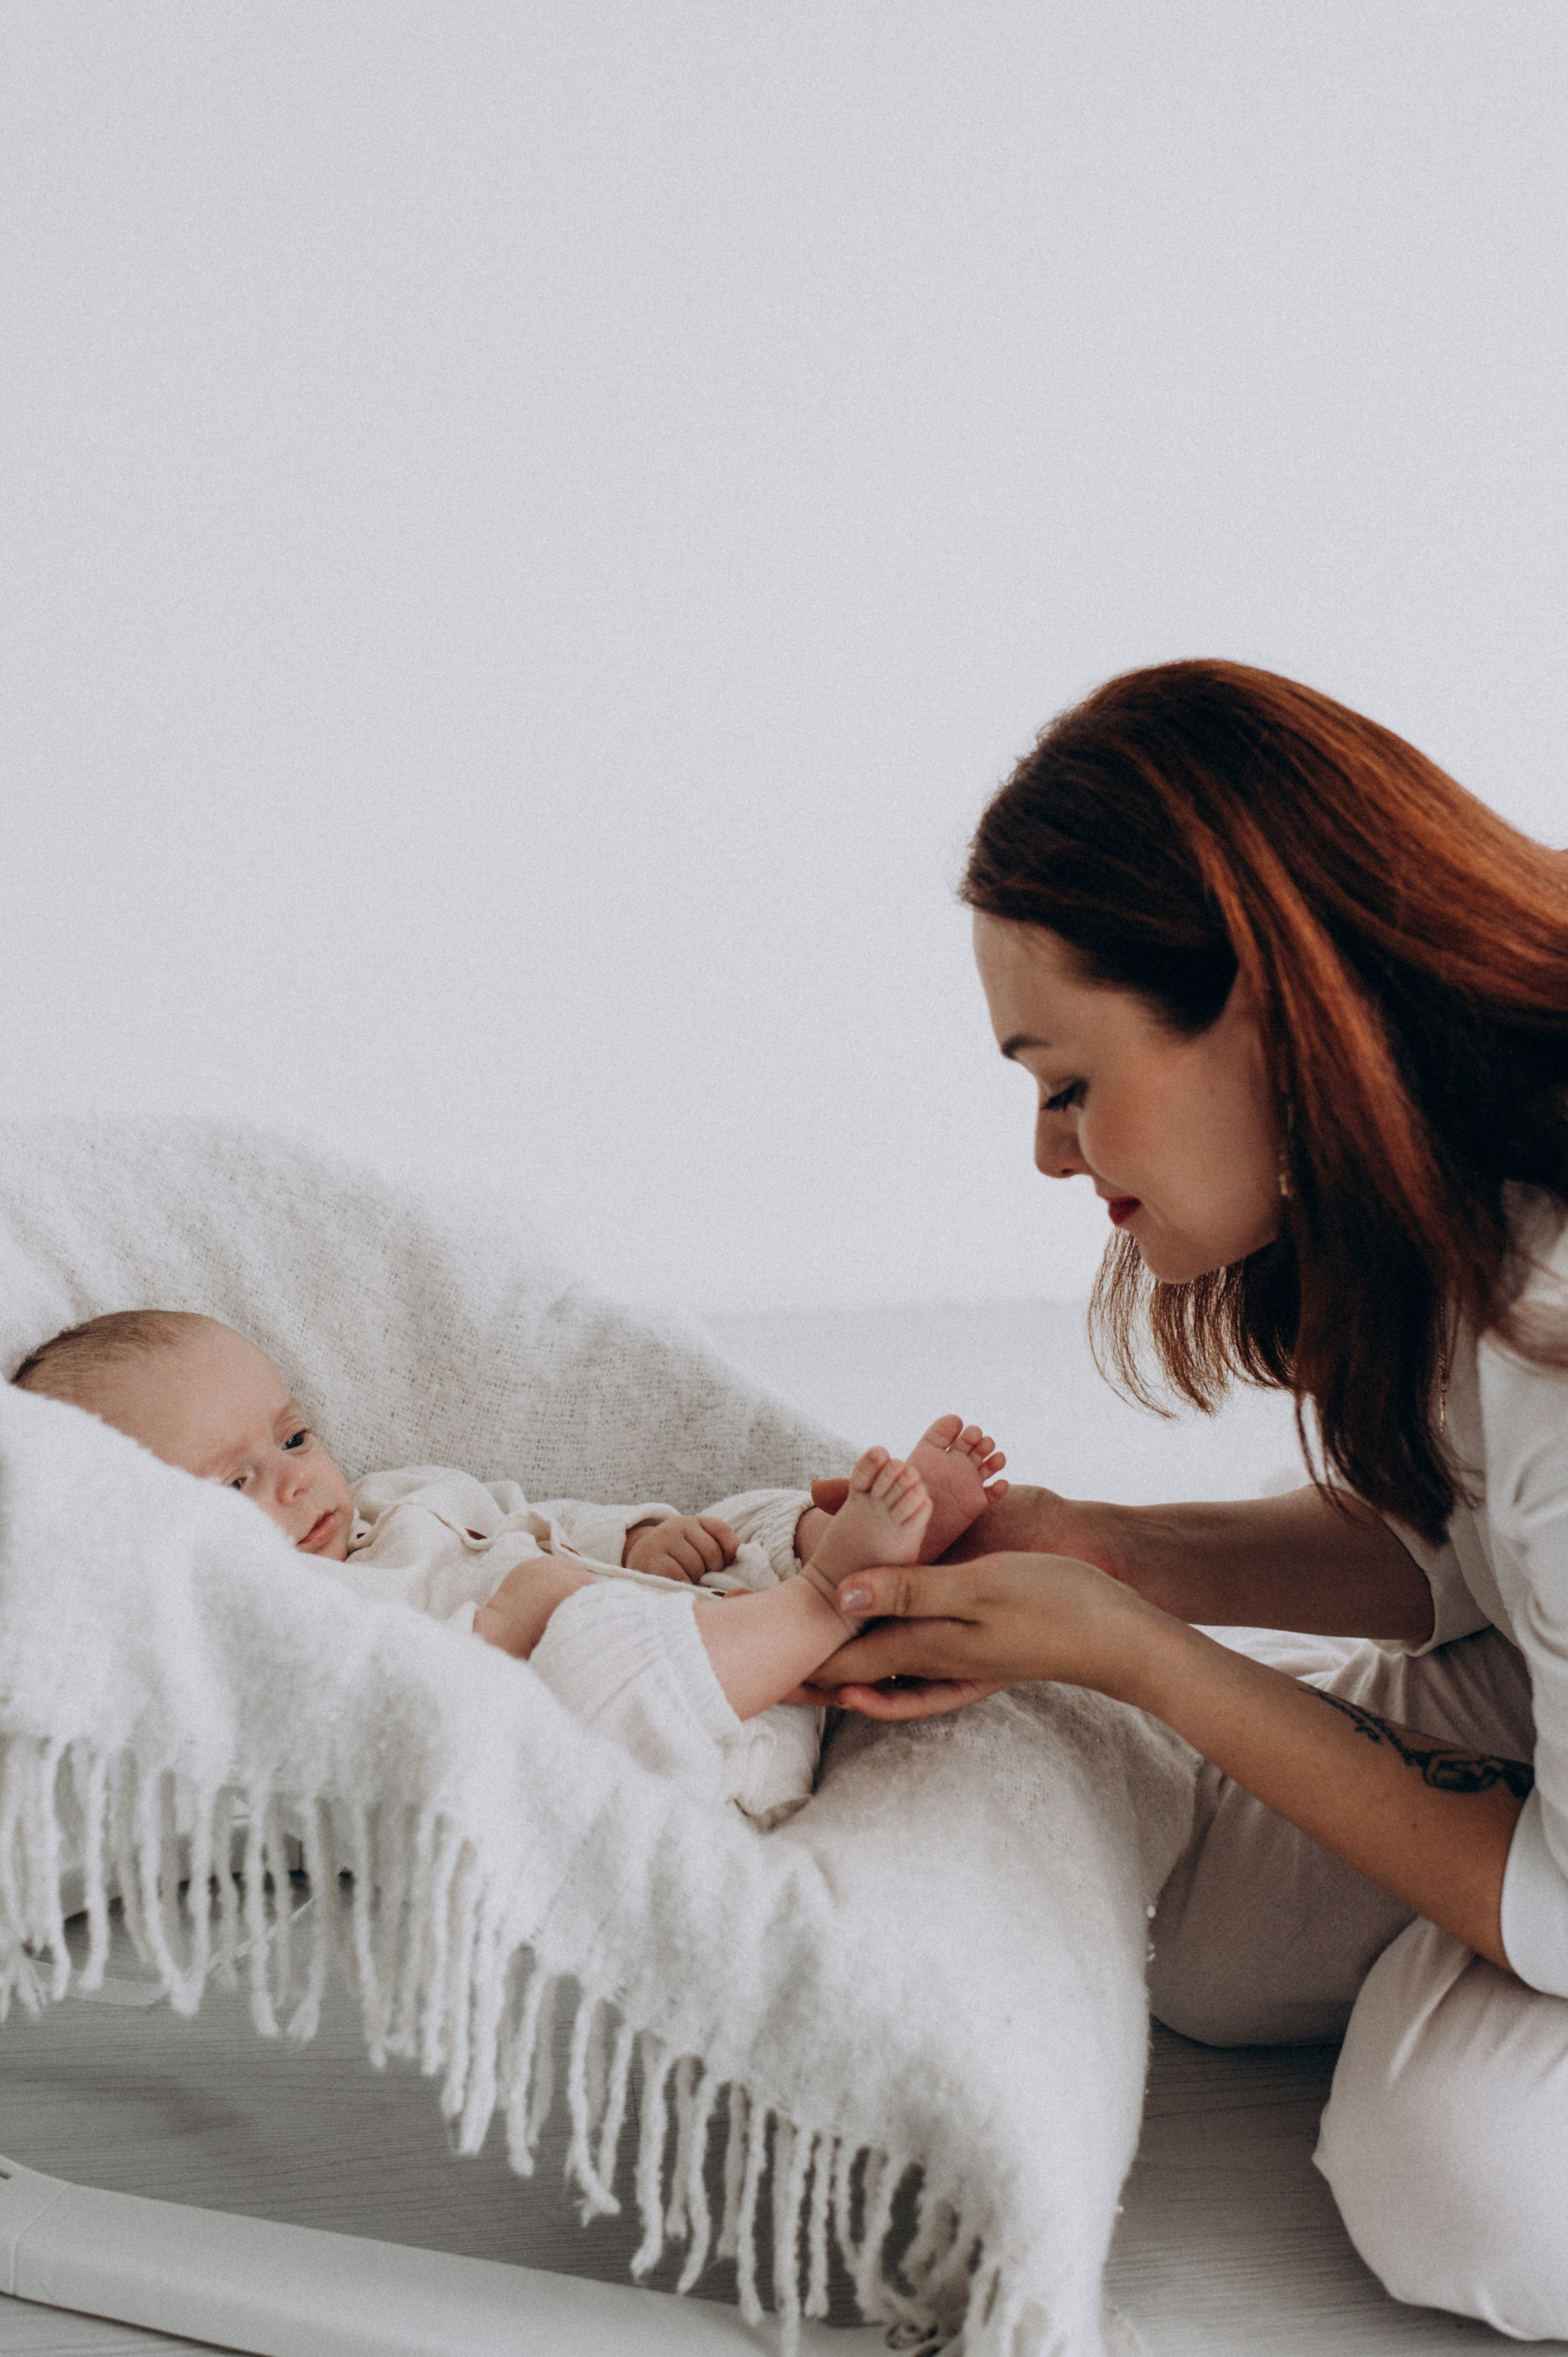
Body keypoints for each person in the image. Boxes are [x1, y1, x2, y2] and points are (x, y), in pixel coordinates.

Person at [802, 660, 1568, 2341]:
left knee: (1463, 2176)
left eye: (1065, 1082)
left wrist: (1140, 1653)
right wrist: (1122, 1553)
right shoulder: (1455, 1209)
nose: (1051, 1159)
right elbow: (1477, 1545)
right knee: (1214, 1931)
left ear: (1265, 1008)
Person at [10, 1308, 1005, 1828]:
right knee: (602, 1658)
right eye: (232, 1487)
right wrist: (511, 1628)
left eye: (296, 1437)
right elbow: (399, 1729)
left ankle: (819, 1564)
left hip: (701, 1619)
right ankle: (834, 1602)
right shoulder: (283, 1624)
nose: (295, 1484)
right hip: (669, 1742)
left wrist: (638, 1540)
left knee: (739, 1521)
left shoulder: (403, 1499)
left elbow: (537, 1518)